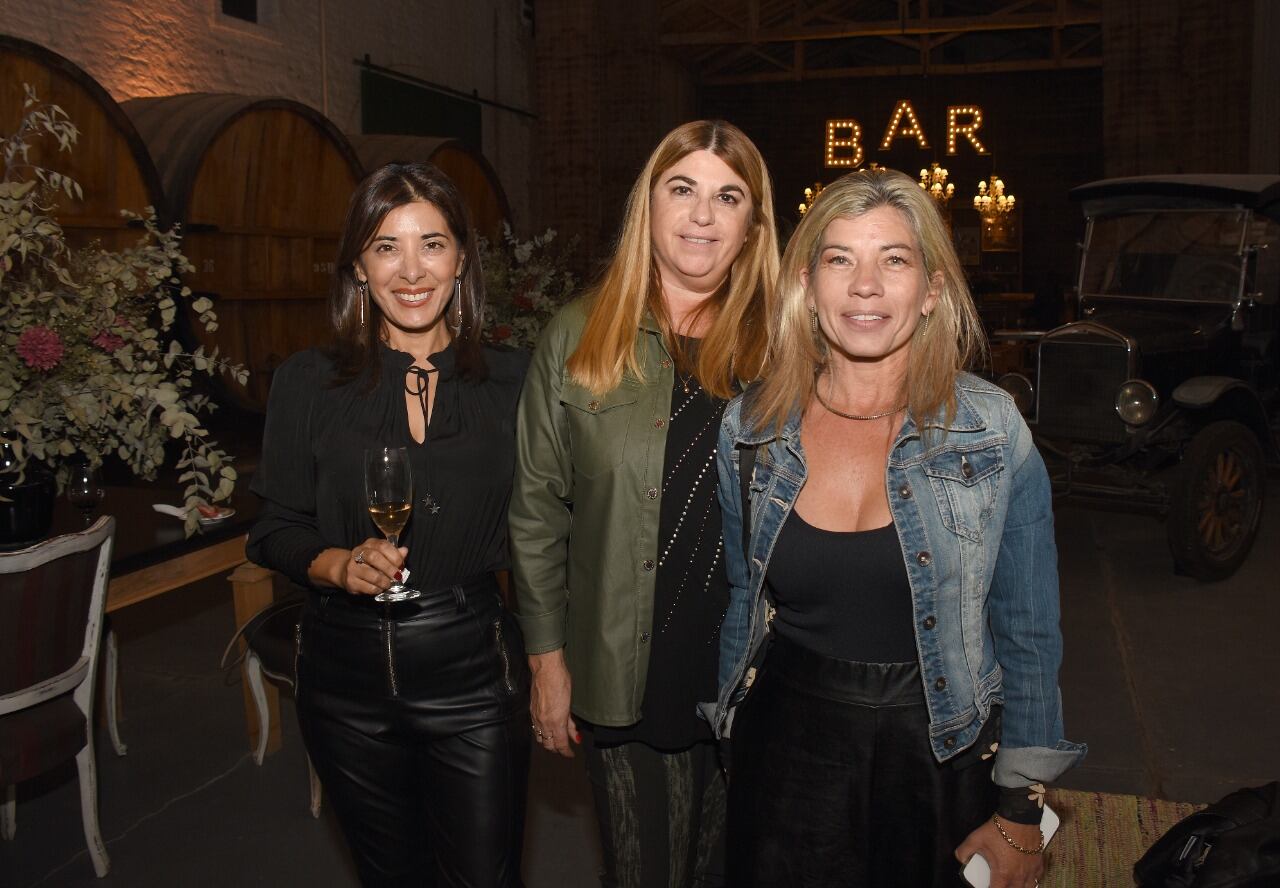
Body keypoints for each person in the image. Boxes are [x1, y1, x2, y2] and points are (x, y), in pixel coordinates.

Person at [707, 168, 1086, 888]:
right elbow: (741, 599)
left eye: (894, 260)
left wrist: (1021, 810)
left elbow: (1030, 632)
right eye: (840, 259)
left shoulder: (991, 431)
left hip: (939, 747)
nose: (865, 286)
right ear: (808, 286)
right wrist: (732, 734)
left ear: (932, 292)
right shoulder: (751, 430)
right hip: (785, 748)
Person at [509, 120, 779, 888]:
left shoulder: (786, 346)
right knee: (644, 871)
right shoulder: (578, 337)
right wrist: (547, 663)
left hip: (748, 667)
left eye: (728, 197)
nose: (702, 215)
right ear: (647, 207)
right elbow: (535, 513)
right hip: (625, 660)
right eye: (682, 189)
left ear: (753, 226)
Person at [246, 162, 530, 888]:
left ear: (461, 259)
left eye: (431, 245)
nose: (411, 270)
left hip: (472, 664)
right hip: (344, 672)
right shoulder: (308, 381)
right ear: (358, 267)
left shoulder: (515, 382)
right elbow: (273, 527)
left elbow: (556, 524)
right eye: (385, 246)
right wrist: (336, 564)